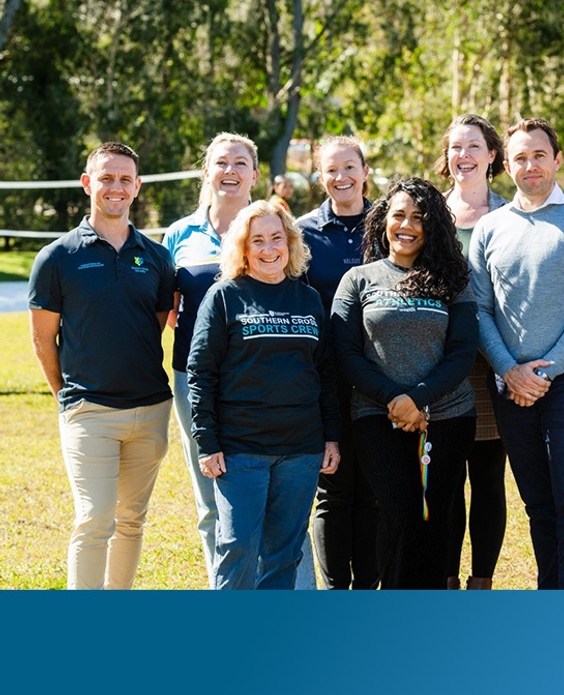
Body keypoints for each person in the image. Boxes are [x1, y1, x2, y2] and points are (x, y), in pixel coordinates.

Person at [469, 117, 564, 589]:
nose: (530, 165)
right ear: (506, 165)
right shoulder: (490, 228)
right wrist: (510, 371)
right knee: (537, 504)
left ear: (557, 160)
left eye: (539, 155)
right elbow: (479, 310)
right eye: (520, 158)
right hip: (510, 386)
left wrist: (543, 373)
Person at [28, 141, 176, 590]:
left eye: (125, 179)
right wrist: (66, 397)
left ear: (138, 187)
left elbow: (153, 325)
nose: (116, 187)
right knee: (94, 518)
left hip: (151, 410)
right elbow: (42, 339)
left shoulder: (157, 257)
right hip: (89, 411)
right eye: (106, 178)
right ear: (87, 183)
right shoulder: (57, 257)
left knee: (132, 519)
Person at [331, 177, 478, 589]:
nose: (407, 225)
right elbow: (346, 352)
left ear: (433, 227)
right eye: (399, 215)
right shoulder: (358, 279)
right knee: (398, 511)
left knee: (436, 516)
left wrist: (419, 399)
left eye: (419, 218)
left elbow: (462, 351)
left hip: (448, 417)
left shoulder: (454, 279)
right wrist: (396, 399)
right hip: (377, 416)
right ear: (383, 221)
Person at [187, 201, 340, 590]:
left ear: (290, 243)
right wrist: (207, 443)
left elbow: (325, 373)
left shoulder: (308, 299)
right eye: (257, 240)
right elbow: (201, 373)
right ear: (243, 247)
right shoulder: (224, 297)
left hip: (301, 451)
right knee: (237, 546)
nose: (268, 249)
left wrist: (331, 436)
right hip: (241, 449)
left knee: (284, 552)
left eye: (276, 238)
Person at [162, 132, 260, 586]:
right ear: (207, 172)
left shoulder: (272, 226)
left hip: (261, 379)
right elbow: (170, 311)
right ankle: (223, 591)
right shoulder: (179, 234)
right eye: (221, 162)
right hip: (194, 379)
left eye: (240, 163)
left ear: (254, 175)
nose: (230, 171)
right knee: (209, 495)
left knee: (263, 492)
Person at [296, 135, 380, 590]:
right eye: (331, 169)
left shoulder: (388, 223)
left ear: (365, 171)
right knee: (333, 488)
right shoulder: (303, 233)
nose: (341, 177)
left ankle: (367, 590)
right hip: (325, 378)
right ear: (320, 176)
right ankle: (334, 591)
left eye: (350, 167)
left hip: (381, 376)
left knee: (373, 489)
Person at [437, 113, 509, 591]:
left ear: (492, 156)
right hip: (439, 365)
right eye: (455, 148)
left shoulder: (512, 214)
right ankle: (444, 581)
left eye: (473, 147)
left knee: (486, 479)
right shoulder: (429, 215)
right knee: (444, 483)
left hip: (491, 364)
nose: (463, 156)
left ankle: (480, 582)